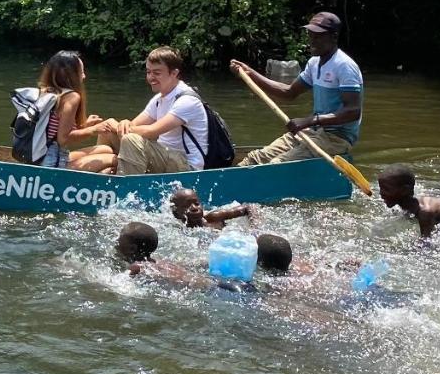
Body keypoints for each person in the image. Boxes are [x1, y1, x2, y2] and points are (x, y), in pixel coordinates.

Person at [230, 12, 363, 165]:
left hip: (337, 138)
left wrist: (309, 121)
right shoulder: (314, 63)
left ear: (333, 37)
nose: (312, 41)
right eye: (310, 35)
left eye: (318, 36)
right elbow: (289, 92)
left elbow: (353, 111)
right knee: (255, 158)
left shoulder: (344, 66)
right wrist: (250, 73)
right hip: (312, 131)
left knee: (277, 164)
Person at [96, 47, 209, 175]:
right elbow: (133, 125)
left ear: (174, 73)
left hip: (186, 166)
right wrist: (122, 124)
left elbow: (151, 131)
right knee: (106, 129)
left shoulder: (187, 101)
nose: (151, 78)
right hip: (163, 154)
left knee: (131, 139)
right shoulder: (158, 98)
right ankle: (105, 172)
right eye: (148, 72)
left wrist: (117, 126)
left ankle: (127, 188)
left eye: (157, 73)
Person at [34, 51, 115, 171]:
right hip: (52, 164)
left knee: (105, 149)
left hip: (40, 156)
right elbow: (63, 139)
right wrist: (93, 130)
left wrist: (84, 126)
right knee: (114, 159)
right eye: (81, 72)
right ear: (70, 75)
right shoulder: (72, 97)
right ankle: (96, 188)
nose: (84, 76)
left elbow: (54, 132)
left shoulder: (45, 91)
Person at [377, 165, 440, 238]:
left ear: (404, 190)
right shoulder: (408, 205)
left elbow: (426, 242)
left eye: (386, 189)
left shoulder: (425, 212)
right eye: (381, 188)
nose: (381, 193)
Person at [170, 188, 257, 229]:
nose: (194, 208)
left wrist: (256, 227)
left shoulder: (213, 218)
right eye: (187, 205)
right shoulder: (176, 230)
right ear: (176, 212)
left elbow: (248, 206)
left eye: (196, 203)